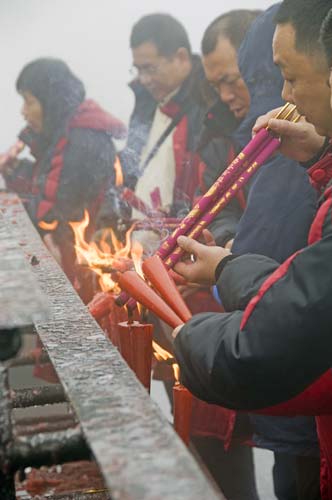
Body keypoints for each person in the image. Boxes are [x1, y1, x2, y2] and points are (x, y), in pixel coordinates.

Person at [172, 0, 332, 497]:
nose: (283, 95)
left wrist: (182, 336)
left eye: (287, 76)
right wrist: (229, 266)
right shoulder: (309, 158)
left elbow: (261, 348)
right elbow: (306, 295)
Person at [114, 14, 260, 499]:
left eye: (152, 67)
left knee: (221, 440)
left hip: (212, 296)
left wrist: (217, 251)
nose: (145, 79)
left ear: (183, 59)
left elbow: (213, 201)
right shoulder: (160, 109)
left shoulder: (207, 113)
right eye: (139, 71)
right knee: (190, 424)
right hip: (181, 288)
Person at [3, 58, 125, 284]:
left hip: (85, 272)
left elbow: (50, 216)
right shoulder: (69, 133)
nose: (23, 112)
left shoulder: (79, 142)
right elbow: (50, 184)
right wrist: (14, 171)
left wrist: (8, 206)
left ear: (51, 102)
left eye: (29, 102)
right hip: (78, 266)